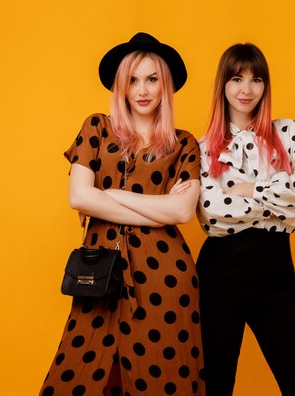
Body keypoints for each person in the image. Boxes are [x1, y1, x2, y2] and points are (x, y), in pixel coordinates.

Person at [40, 32, 205, 396]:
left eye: (152, 79)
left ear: (165, 86)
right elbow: (80, 198)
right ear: (121, 86)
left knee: (164, 383)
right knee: (78, 375)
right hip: (98, 274)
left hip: (165, 279)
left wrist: (112, 194)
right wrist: (155, 212)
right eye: (132, 80)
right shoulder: (97, 128)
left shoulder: (185, 143)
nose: (142, 90)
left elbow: (181, 211)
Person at [196, 43, 295, 395]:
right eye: (236, 79)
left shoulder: (287, 133)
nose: (246, 89)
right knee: (215, 387)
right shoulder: (202, 148)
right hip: (220, 273)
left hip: (276, 271)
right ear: (223, 84)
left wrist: (247, 188)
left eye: (256, 80)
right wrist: (278, 194)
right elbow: (212, 214)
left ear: (266, 86)